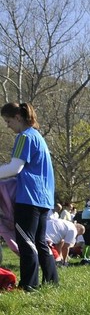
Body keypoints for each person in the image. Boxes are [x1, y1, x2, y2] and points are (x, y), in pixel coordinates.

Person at [0, 102, 58, 290]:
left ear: (18, 118)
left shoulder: (24, 137)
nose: (8, 126)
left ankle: (29, 285)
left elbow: (15, 168)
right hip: (44, 197)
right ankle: (51, 281)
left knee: (26, 242)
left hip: (28, 197)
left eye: (8, 121)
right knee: (40, 242)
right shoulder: (37, 136)